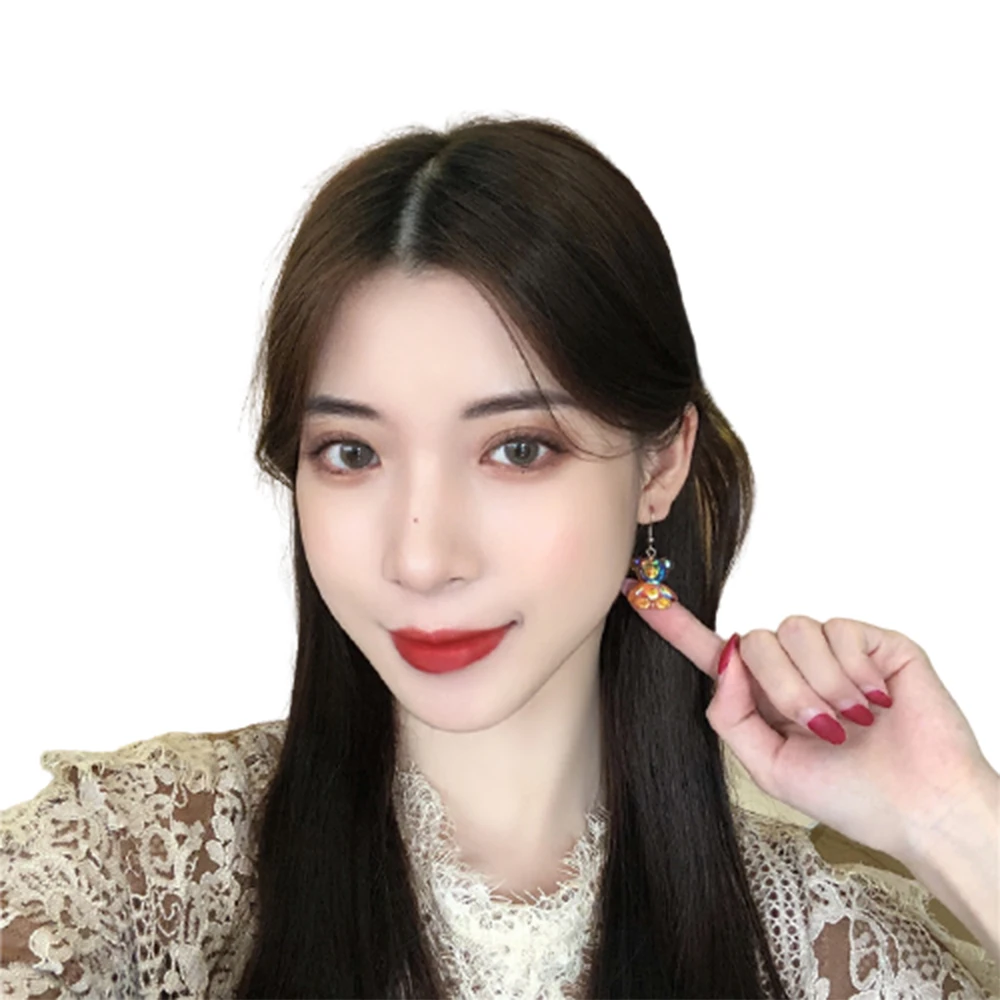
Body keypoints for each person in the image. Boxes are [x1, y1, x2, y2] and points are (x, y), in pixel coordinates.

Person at [1, 115, 997, 999]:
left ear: (659, 464)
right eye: (351, 453)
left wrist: (950, 816)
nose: (422, 557)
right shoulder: (139, 864)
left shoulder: (822, 939)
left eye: (517, 449)